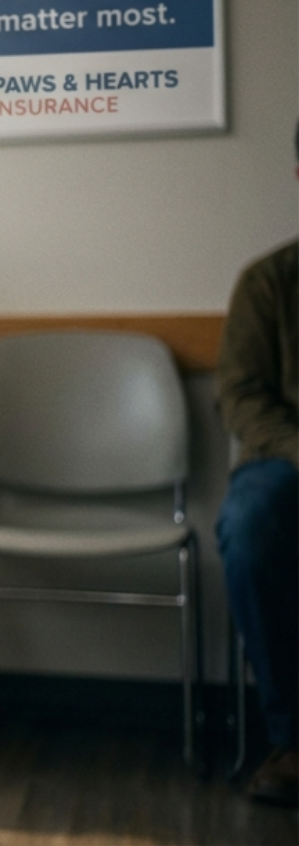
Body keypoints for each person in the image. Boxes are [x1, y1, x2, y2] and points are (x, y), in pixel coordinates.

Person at [215, 123, 297, 808]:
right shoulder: (270, 282)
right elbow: (243, 398)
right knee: (249, 526)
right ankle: (290, 738)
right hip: (286, 459)